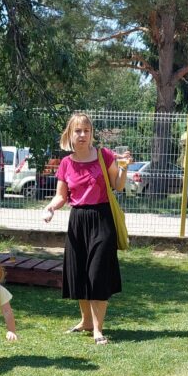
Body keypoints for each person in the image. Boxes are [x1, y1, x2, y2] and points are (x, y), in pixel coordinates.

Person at [41, 113, 129, 346]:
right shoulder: (66, 163)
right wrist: (50, 208)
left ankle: (98, 329)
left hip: (102, 218)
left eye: (86, 131)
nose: (82, 135)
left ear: (91, 133)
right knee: (79, 272)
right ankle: (86, 322)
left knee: (97, 272)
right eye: (77, 131)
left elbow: (118, 185)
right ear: (70, 134)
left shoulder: (104, 155)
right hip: (77, 220)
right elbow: (61, 196)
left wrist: (124, 168)